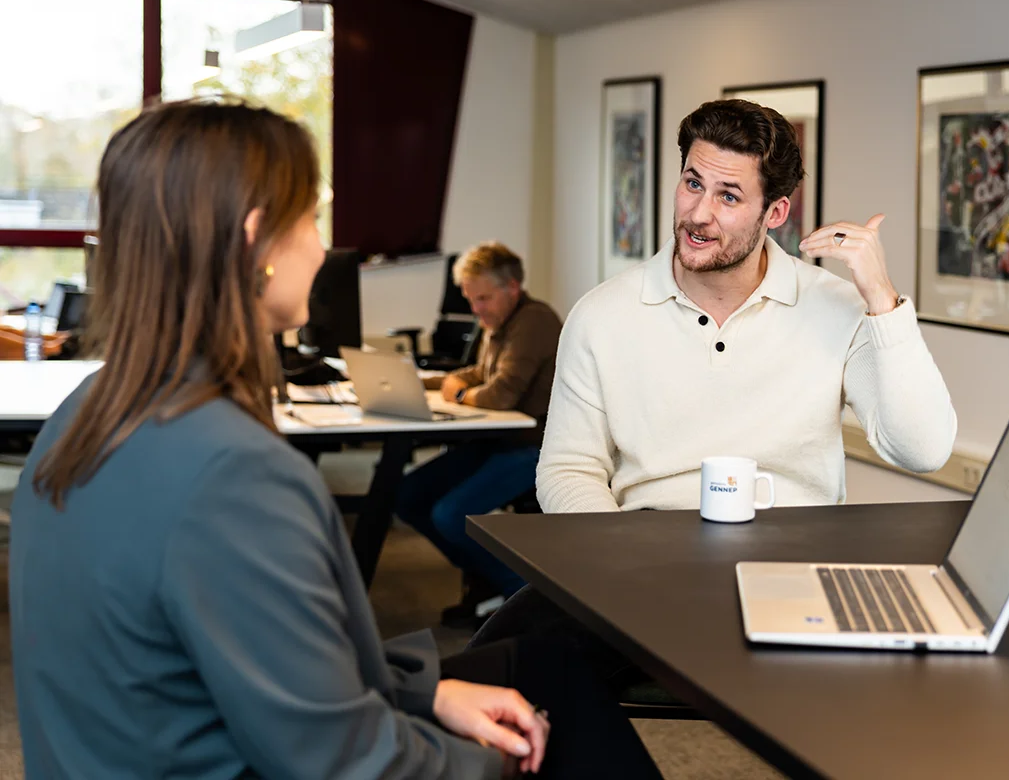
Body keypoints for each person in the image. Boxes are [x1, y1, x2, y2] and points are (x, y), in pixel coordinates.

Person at [7, 99, 661, 780]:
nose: (321, 248)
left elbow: (243, 665)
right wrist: (490, 764)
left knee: (545, 661)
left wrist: (424, 692)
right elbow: (344, 761)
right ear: (256, 237)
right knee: (558, 715)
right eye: (311, 218)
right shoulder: (234, 475)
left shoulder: (80, 417)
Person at [536, 98, 957, 513]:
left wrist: (882, 299)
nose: (699, 214)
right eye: (693, 184)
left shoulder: (838, 308)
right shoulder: (601, 316)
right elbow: (568, 470)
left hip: (796, 549)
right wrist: (616, 551)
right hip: (646, 545)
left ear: (775, 213)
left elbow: (923, 451)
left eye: (729, 197)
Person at [394, 243, 562, 624]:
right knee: (407, 495)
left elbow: (499, 394)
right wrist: (425, 382)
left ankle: (522, 594)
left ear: (512, 288)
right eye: (472, 299)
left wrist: (458, 393)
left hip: (535, 448)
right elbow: (479, 374)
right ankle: (487, 578)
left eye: (483, 298)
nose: (476, 309)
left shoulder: (535, 321)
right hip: (498, 440)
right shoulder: (500, 322)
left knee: (450, 515)